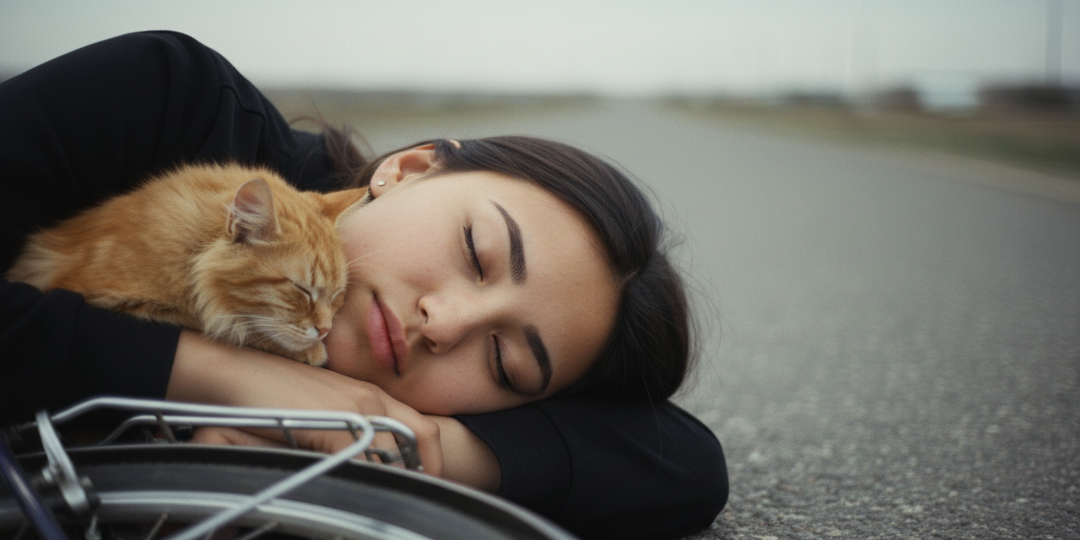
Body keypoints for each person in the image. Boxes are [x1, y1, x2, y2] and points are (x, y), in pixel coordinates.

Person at [0, 31, 727, 540]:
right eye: (476, 251)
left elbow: (686, 468)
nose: (443, 323)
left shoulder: (436, 411)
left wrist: (416, 443)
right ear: (407, 170)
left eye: (505, 364)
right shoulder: (169, 100)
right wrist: (226, 376)